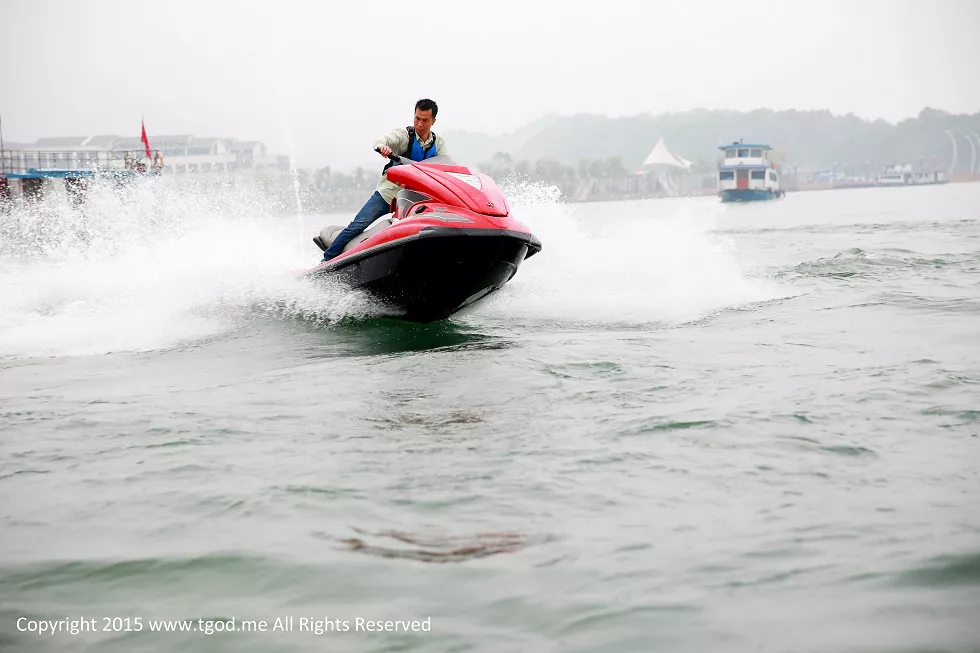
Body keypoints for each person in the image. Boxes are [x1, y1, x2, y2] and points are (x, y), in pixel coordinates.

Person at [320, 98, 446, 262]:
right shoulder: (404, 135)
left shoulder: (439, 144)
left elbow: (445, 167)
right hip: (389, 194)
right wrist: (383, 147)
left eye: (425, 120)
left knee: (426, 231)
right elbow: (382, 141)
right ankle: (327, 259)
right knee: (358, 225)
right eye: (417, 118)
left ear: (433, 121)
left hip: (415, 201)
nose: (420, 124)